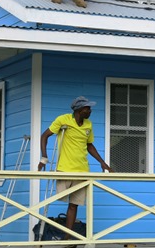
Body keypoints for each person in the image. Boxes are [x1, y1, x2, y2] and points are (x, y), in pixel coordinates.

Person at [38, 96, 112, 239]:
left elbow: (89, 145)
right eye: (87, 108)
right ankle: (43, 233)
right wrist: (44, 158)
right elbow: (44, 136)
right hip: (64, 169)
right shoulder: (63, 120)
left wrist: (102, 162)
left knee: (74, 205)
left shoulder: (88, 125)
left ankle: (67, 237)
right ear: (79, 110)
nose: (90, 110)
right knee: (57, 199)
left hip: (82, 170)